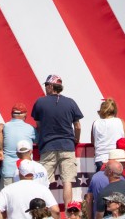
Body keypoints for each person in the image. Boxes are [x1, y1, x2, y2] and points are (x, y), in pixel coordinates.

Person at [31, 74, 84, 207]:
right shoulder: (70, 102)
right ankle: (68, 212)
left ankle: (43, 212)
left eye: (45, 85)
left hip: (47, 146)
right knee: (67, 181)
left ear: (50, 86)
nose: (45, 88)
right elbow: (77, 126)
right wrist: (76, 139)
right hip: (67, 145)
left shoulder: (40, 102)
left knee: (43, 181)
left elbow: (38, 125)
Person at [4, 104, 39, 186]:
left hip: (8, 170)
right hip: (26, 171)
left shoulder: (5, 126)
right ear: (25, 115)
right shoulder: (30, 128)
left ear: (12, 114)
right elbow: (38, 141)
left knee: (7, 197)